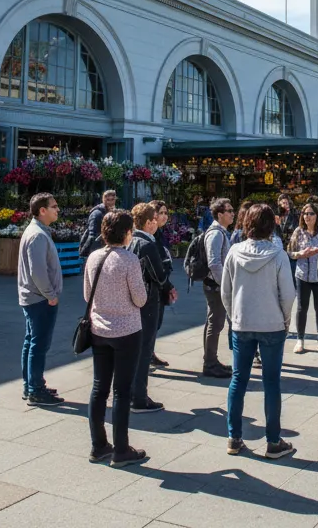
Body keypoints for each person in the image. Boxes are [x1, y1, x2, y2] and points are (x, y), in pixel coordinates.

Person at [221, 203, 297, 459]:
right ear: (271, 225)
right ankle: (273, 441)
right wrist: (285, 319)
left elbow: (226, 291)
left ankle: (234, 437)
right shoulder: (278, 255)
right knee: (271, 382)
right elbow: (288, 294)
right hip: (272, 324)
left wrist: (234, 317)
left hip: (242, 323)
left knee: (238, 380)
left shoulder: (234, 252)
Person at [83, 209, 149, 467]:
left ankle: (98, 445)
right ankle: (121, 449)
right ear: (127, 233)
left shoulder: (93, 257)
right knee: (122, 391)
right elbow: (140, 298)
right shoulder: (129, 260)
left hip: (99, 330)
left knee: (99, 388)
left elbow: (87, 295)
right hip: (127, 331)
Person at [128, 202, 176, 414]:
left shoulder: (131, 241)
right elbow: (158, 275)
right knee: (144, 348)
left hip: (134, 299)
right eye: (155, 219)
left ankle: (130, 392)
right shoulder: (147, 244)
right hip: (148, 299)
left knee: (135, 348)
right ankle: (139, 396)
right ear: (149, 222)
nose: (158, 223)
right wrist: (168, 287)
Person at [18, 193, 63, 406]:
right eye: (53, 206)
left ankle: (32, 385)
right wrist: (50, 295)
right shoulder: (37, 235)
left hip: (35, 297)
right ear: (42, 210)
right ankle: (35, 389)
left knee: (32, 342)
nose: (57, 210)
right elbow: (38, 271)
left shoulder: (38, 232)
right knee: (38, 344)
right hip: (39, 299)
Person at [201, 198, 235, 378]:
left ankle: (211, 360)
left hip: (215, 285)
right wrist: (225, 285)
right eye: (229, 211)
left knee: (213, 323)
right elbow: (214, 263)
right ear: (219, 214)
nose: (232, 213)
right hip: (215, 286)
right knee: (216, 323)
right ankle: (210, 363)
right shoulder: (216, 233)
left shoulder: (221, 232)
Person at [288, 204, 318, 354]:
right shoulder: (298, 232)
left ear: (317, 216)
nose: (307, 216)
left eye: (311, 213)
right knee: (301, 308)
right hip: (302, 275)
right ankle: (300, 340)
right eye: (305, 214)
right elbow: (290, 252)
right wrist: (301, 254)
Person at [150, 199, 174, 367]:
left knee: (156, 323)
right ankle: (145, 354)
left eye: (166, 213)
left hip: (162, 283)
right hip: (154, 285)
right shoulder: (150, 236)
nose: (164, 216)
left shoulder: (159, 234)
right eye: (161, 213)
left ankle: (150, 352)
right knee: (151, 323)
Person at [79, 189, 117, 259]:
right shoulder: (96, 214)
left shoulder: (114, 212)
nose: (111, 202)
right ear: (103, 199)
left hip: (107, 250)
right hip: (95, 251)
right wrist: (84, 253)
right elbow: (92, 235)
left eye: (113, 199)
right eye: (108, 200)